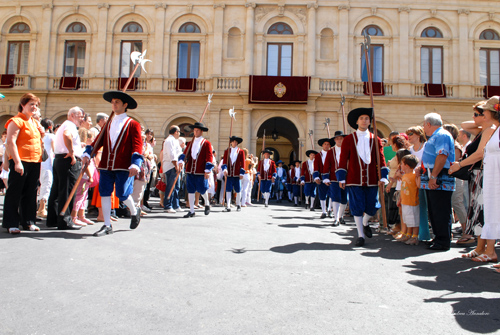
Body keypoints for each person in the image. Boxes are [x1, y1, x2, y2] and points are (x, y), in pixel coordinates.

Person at [82, 91, 143, 236]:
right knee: (104, 192)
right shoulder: (108, 123)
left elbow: (137, 145)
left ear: (125, 105)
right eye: (113, 102)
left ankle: (134, 211)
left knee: (122, 194)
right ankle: (107, 224)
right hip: (106, 165)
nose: (114, 104)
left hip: (123, 165)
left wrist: (135, 163)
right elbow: (98, 141)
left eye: (117, 102)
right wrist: (88, 152)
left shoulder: (133, 124)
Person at [336, 108, 389, 247]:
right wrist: (342, 177)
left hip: (372, 179)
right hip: (354, 179)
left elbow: (381, 159)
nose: (364, 121)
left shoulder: (376, 139)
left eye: (367, 118)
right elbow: (343, 159)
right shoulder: (349, 139)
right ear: (357, 121)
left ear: (369, 121)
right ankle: (360, 235)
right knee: (357, 206)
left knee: (373, 206)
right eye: (362, 118)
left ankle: (365, 223)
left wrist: (383, 176)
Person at [449, 100, 495, 252]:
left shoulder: (490, 130)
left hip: (483, 173)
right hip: (477, 174)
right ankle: (480, 247)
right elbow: (465, 125)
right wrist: (482, 120)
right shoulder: (484, 130)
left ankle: (486, 248)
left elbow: (480, 153)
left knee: (482, 210)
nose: (473, 117)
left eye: (477, 114)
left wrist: (460, 165)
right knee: (476, 210)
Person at [2, 93, 44, 234]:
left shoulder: (34, 122)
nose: (34, 107)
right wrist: (17, 161)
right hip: (21, 161)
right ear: (23, 105)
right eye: (31, 104)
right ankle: (11, 222)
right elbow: (10, 142)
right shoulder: (16, 120)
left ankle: (28, 221)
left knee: (31, 192)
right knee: (15, 192)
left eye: (36, 105)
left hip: (35, 161)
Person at [420, 112, 455, 251]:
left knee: (440, 210)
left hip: (439, 177)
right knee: (434, 210)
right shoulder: (436, 136)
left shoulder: (442, 135)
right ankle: (438, 238)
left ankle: (443, 241)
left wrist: (433, 176)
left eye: (424, 125)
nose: (424, 128)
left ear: (428, 124)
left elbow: (442, 155)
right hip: (433, 176)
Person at [46, 107, 85, 230]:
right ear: (73, 115)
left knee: (57, 191)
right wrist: (71, 152)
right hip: (67, 160)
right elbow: (66, 135)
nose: (82, 119)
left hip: (60, 159)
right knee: (67, 191)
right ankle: (65, 220)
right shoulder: (70, 125)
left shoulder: (65, 124)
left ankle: (53, 219)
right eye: (80, 116)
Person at [476, 96, 500, 267]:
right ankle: (490, 251)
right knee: (492, 212)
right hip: (492, 179)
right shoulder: (495, 130)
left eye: (485, 110)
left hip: (497, 178)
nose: (482, 112)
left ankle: (490, 251)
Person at [180, 122, 214, 218]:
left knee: (202, 189)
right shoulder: (190, 143)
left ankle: (207, 203)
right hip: (190, 170)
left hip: (200, 170)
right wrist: (181, 161)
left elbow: (209, 157)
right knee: (190, 190)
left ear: (201, 131)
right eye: (194, 130)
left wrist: (207, 170)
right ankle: (191, 211)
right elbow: (185, 153)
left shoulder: (206, 143)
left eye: (197, 130)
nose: (195, 132)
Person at [405, 126, 430, 242]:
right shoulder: (410, 149)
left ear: (419, 135)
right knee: (415, 208)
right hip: (412, 183)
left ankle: (424, 234)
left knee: (425, 207)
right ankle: (416, 234)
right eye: (408, 134)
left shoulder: (426, 147)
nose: (408, 136)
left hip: (425, 180)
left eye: (411, 134)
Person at [443, 123, 468, 237]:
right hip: (449, 177)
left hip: (456, 178)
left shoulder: (455, 147)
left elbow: (454, 164)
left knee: (457, 203)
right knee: (449, 204)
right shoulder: (449, 145)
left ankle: (466, 230)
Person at [323, 130, 348, 226]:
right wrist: (325, 177)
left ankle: (341, 216)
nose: (339, 140)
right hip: (334, 178)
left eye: (341, 138)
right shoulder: (331, 152)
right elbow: (326, 165)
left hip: (346, 177)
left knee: (344, 198)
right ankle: (336, 218)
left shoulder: (348, 150)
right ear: (335, 140)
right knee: (335, 197)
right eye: (337, 139)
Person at [398, 154, 421, 245]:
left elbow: (418, 185)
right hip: (405, 201)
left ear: (407, 165)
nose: (401, 166)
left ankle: (415, 236)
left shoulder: (414, 175)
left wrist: (418, 176)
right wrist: (400, 199)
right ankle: (408, 234)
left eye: (402, 164)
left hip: (412, 202)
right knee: (407, 219)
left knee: (414, 220)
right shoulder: (405, 175)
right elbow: (403, 189)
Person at [221, 136, 246, 212]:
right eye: (233, 142)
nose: (234, 143)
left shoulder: (241, 151)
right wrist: (224, 169)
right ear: (231, 142)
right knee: (228, 189)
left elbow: (243, 163)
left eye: (236, 142)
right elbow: (224, 162)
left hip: (237, 174)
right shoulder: (227, 151)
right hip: (229, 174)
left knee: (238, 190)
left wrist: (242, 173)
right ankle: (228, 205)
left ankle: (238, 204)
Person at [162, 125, 183, 213]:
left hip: (175, 165)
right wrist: (176, 165)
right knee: (171, 186)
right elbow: (172, 154)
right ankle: (168, 205)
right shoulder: (169, 140)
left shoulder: (174, 140)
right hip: (171, 166)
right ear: (176, 132)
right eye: (179, 132)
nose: (179, 134)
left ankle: (175, 204)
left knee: (176, 186)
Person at [37, 118, 55, 218]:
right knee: (46, 184)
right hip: (48, 163)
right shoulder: (51, 136)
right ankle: (42, 208)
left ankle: (40, 207)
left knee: (39, 185)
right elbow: (55, 149)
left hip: (39, 163)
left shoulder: (39, 136)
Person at [313, 137, 332, 218]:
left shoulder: (332, 154)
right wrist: (316, 177)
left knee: (331, 194)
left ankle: (330, 209)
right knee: (322, 194)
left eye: (328, 144)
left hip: (331, 177)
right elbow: (316, 167)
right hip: (321, 178)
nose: (326, 146)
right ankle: (323, 211)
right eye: (325, 144)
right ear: (322, 145)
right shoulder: (318, 156)